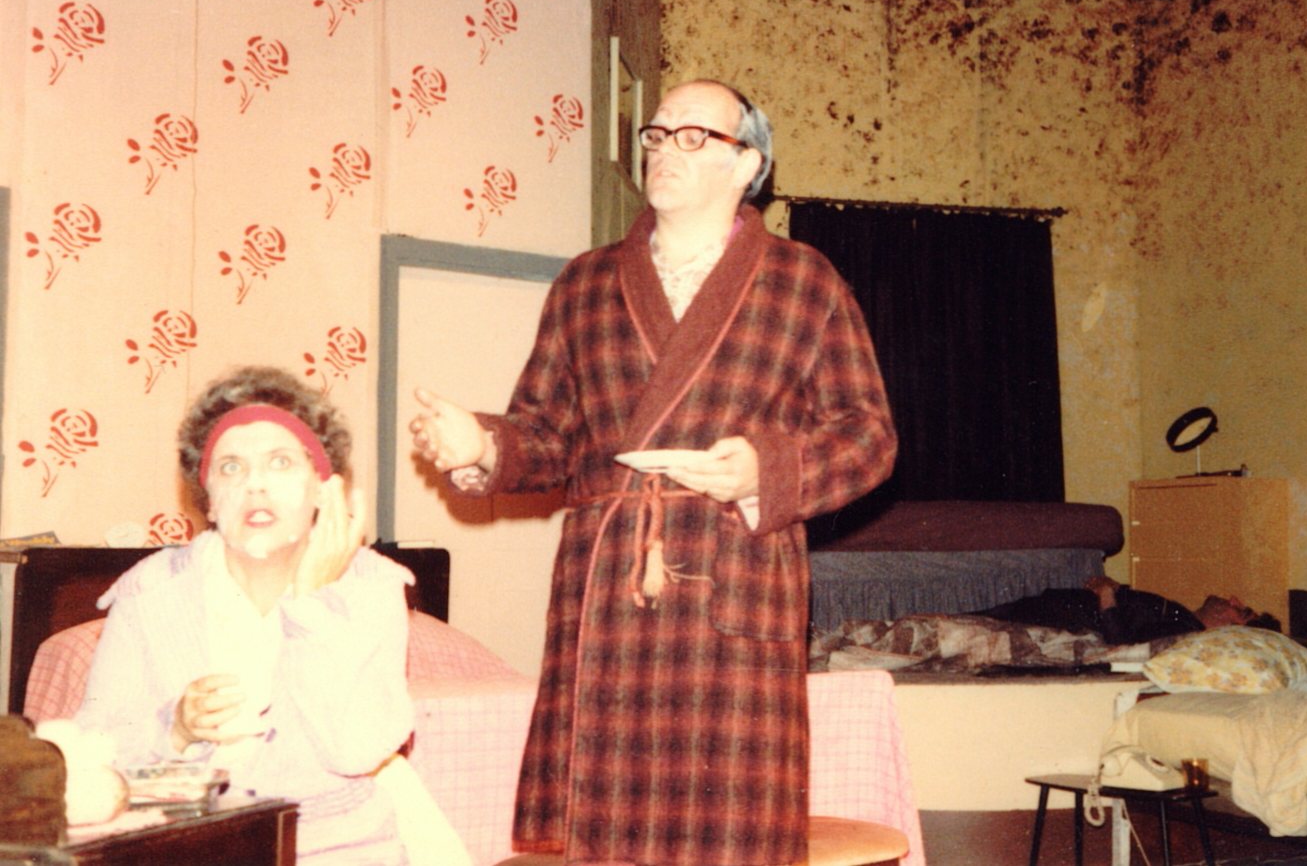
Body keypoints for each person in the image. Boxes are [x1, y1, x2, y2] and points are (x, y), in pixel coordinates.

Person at [409, 79, 897, 865]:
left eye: (695, 136)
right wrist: (483, 447)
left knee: (730, 834)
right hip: (608, 588)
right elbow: (549, 435)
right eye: (658, 133)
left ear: (748, 165)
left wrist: (764, 470)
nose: (667, 148)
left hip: (737, 582)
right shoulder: (585, 283)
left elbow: (868, 435)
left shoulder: (805, 282)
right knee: (609, 836)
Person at [74, 366, 416, 864]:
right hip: (193, 850)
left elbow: (355, 750)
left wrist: (311, 605)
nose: (255, 484)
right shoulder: (150, 592)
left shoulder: (372, 587)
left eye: (280, 462)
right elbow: (95, 748)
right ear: (209, 500)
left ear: (322, 488)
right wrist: (175, 729)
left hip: (338, 850)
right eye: (231, 467)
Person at [976, 574, 1282, 645]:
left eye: (1242, 611)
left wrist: (1107, 596)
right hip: (1050, 605)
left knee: (963, 620)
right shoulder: (1184, 618)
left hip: (1049, 617)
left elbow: (1122, 643)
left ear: (1232, 632)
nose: (1234, 600)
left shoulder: (1185, 631)